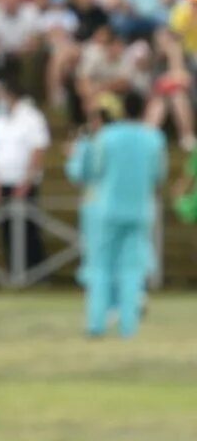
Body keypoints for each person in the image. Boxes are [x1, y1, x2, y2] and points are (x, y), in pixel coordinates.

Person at [69, 90, 166, 338]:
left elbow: (95, 171)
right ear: (144, 110)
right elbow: (159, 176)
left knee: (101, 267)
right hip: (140, 209)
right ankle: (128, 327)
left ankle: (96, 324)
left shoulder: (107, 137)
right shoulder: (153, 138)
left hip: (108, 208)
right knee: (131, 269)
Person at [0, 87, 50, 276]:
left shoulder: (32, 117)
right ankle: (13, 270)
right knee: (6, 229)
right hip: (2, 182)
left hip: (24, 183)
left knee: (29, 229)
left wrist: (27, 181)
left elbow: (38, 150)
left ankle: (35, 272)